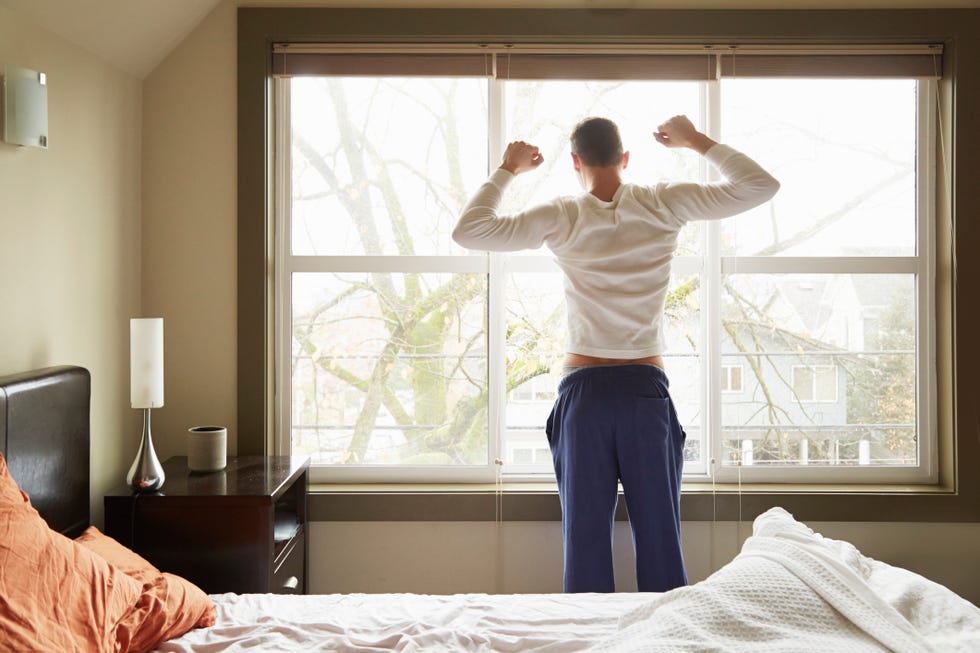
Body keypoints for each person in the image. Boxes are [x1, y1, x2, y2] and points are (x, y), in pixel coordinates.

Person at [453, 115, 779, 593]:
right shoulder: (663, 201)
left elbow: (470, 232)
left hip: (584, 394)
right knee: (661, 539)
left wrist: (508, 169)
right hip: (644, 391)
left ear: (575, 162)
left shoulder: (561, 214)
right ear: (625, 158)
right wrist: (693, 141)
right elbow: (760, 186)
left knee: (583, 541)